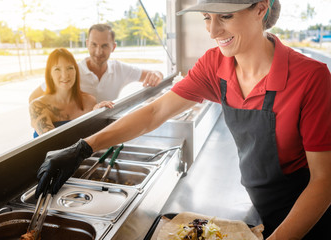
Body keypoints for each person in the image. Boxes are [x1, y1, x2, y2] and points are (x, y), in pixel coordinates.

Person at [34, 0, 331, 239]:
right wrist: (84, 147)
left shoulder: (310, 78)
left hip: (308, 212)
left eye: (224, 16)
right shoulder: (215, 64)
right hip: (260, 203)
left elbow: (324, 182)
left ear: (261, 9)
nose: (213, 31)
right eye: (206, 16)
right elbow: (154, 113)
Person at [29, 23, 164, 103]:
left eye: (104, 46)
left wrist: (156, 74)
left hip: (105, 132)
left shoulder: (119, 69)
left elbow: (154, 74)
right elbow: (33, 98)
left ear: (113, 47)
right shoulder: (71, 71)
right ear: (87, 44)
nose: (98, 52)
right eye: (94, 45)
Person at [29, 48, 114, 137]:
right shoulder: (37, 106)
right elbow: (53, 144)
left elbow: (96, 139)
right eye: (57, 69)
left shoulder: (90, 101)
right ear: (50, 74)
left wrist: (98, 114)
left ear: (76, 71)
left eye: (70, 68)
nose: (65, 75)